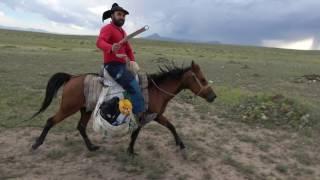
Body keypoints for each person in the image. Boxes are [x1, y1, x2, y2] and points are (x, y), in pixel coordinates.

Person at [96, 3, 145, 122]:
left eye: (123, 15)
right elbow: (99, 42)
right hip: (113, 65)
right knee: (133, 86)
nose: (122, 17)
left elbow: (128, 49)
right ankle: (140, 116)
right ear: (112, 15)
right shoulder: (107, 29)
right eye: (119, 14)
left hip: (123, 65)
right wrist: (111, 47)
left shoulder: (123, 32)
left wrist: (132, 61)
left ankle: (128, 106)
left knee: (140, 80)